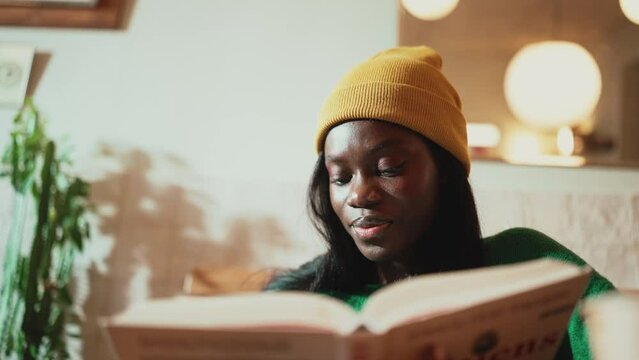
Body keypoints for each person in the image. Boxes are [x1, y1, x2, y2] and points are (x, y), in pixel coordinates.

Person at [264, 46, 614, 359]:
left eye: (389, 168)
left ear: (443, 170)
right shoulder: (310, 304)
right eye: (340, 178)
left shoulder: (524, 262)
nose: (358, 195)